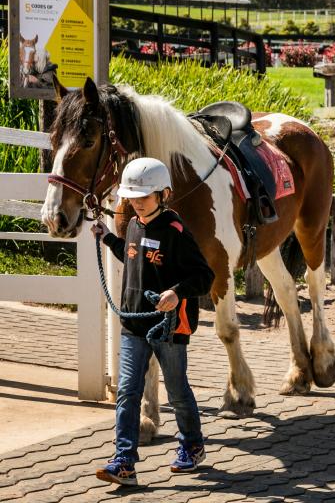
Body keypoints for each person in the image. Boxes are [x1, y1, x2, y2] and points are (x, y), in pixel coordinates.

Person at [93, 158, 215, 486]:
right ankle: (124, 462)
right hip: (134, 324)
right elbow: (133, 256)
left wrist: (176, 292)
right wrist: (107, 238)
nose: (136, 203)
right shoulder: (133, 224)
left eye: (143, 197)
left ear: (164, 194)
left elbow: (204, 276)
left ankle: (192, 444)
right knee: (128, 392)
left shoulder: (176, 231)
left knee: (176, 392)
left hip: (169, 328)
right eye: (132, 197)